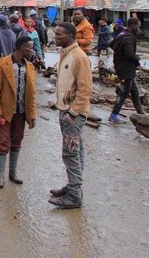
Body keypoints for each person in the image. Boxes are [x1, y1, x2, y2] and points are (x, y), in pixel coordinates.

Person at [48, 22, 92, 209]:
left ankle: (74, 195)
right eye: (55, 34)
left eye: (59, 35)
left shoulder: (79, 57)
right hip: (66, 110)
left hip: (72, 114)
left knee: (70, 154)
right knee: (76, 152)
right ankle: (74, 187)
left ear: (70, 36)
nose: (55, 37)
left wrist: (73, 113)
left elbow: (85, 89)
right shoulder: (65, 53)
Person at [0, 36, 37, 189]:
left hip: (21, 112)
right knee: (4, 142)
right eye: (29, 48)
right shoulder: (3, 63)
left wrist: (32, 114)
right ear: (20, 48)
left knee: (17, 142)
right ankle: (0, 175)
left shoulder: (30, 66)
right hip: (5, 112)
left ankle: (13, 172)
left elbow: (32, 93)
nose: (32, 50)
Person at [109, 17, 144, 123]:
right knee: (124, 92)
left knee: (134, 91)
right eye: (138, 26)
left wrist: (118, 53)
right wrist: (137, 59)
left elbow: (111, 44)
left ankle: (140, 112)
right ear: (132, 25)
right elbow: (129, 54)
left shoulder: (122, 33)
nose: (139, 28)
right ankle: (114, 115)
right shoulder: (129, 37)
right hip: (126, 68)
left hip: (122, 66)